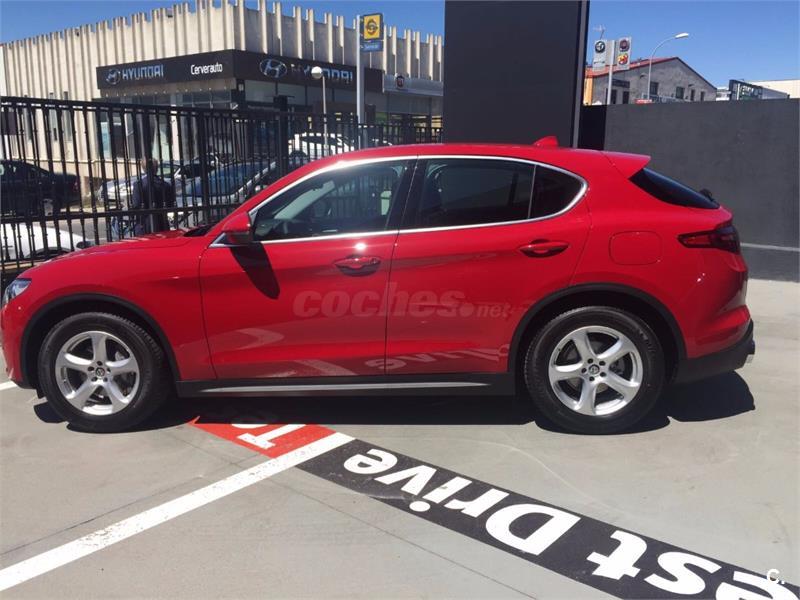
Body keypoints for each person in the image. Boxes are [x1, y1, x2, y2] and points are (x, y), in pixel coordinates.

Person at [130, 158, 175, 235]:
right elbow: (171, 205)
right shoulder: (165, 185)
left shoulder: (139, 185)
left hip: (144, 225)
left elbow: (136, 205)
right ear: (157, 169)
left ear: (143, 169)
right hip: (162, 224)